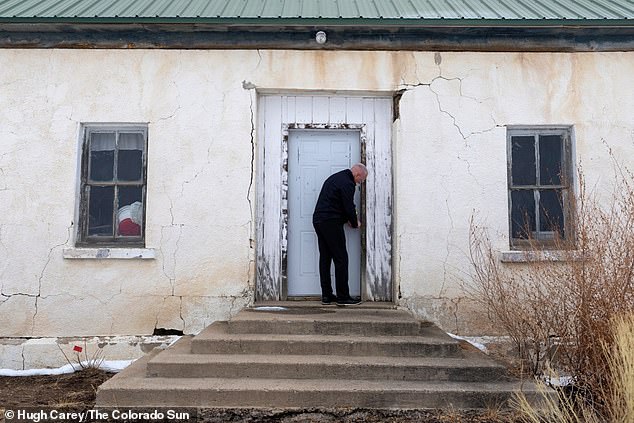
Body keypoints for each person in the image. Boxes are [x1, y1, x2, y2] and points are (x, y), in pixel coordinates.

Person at [312, 163, 368, 306]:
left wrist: (347, 219)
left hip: (319, 220)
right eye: (361, 180)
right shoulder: (347, 183)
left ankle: (327, 295)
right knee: (341, 258)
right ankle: (343, 297)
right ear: (357, 175)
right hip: (331, 222)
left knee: (325, 257)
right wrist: (355, 222)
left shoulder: (336, 178)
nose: (359, 183)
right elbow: (348, 205)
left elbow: (335, 202)